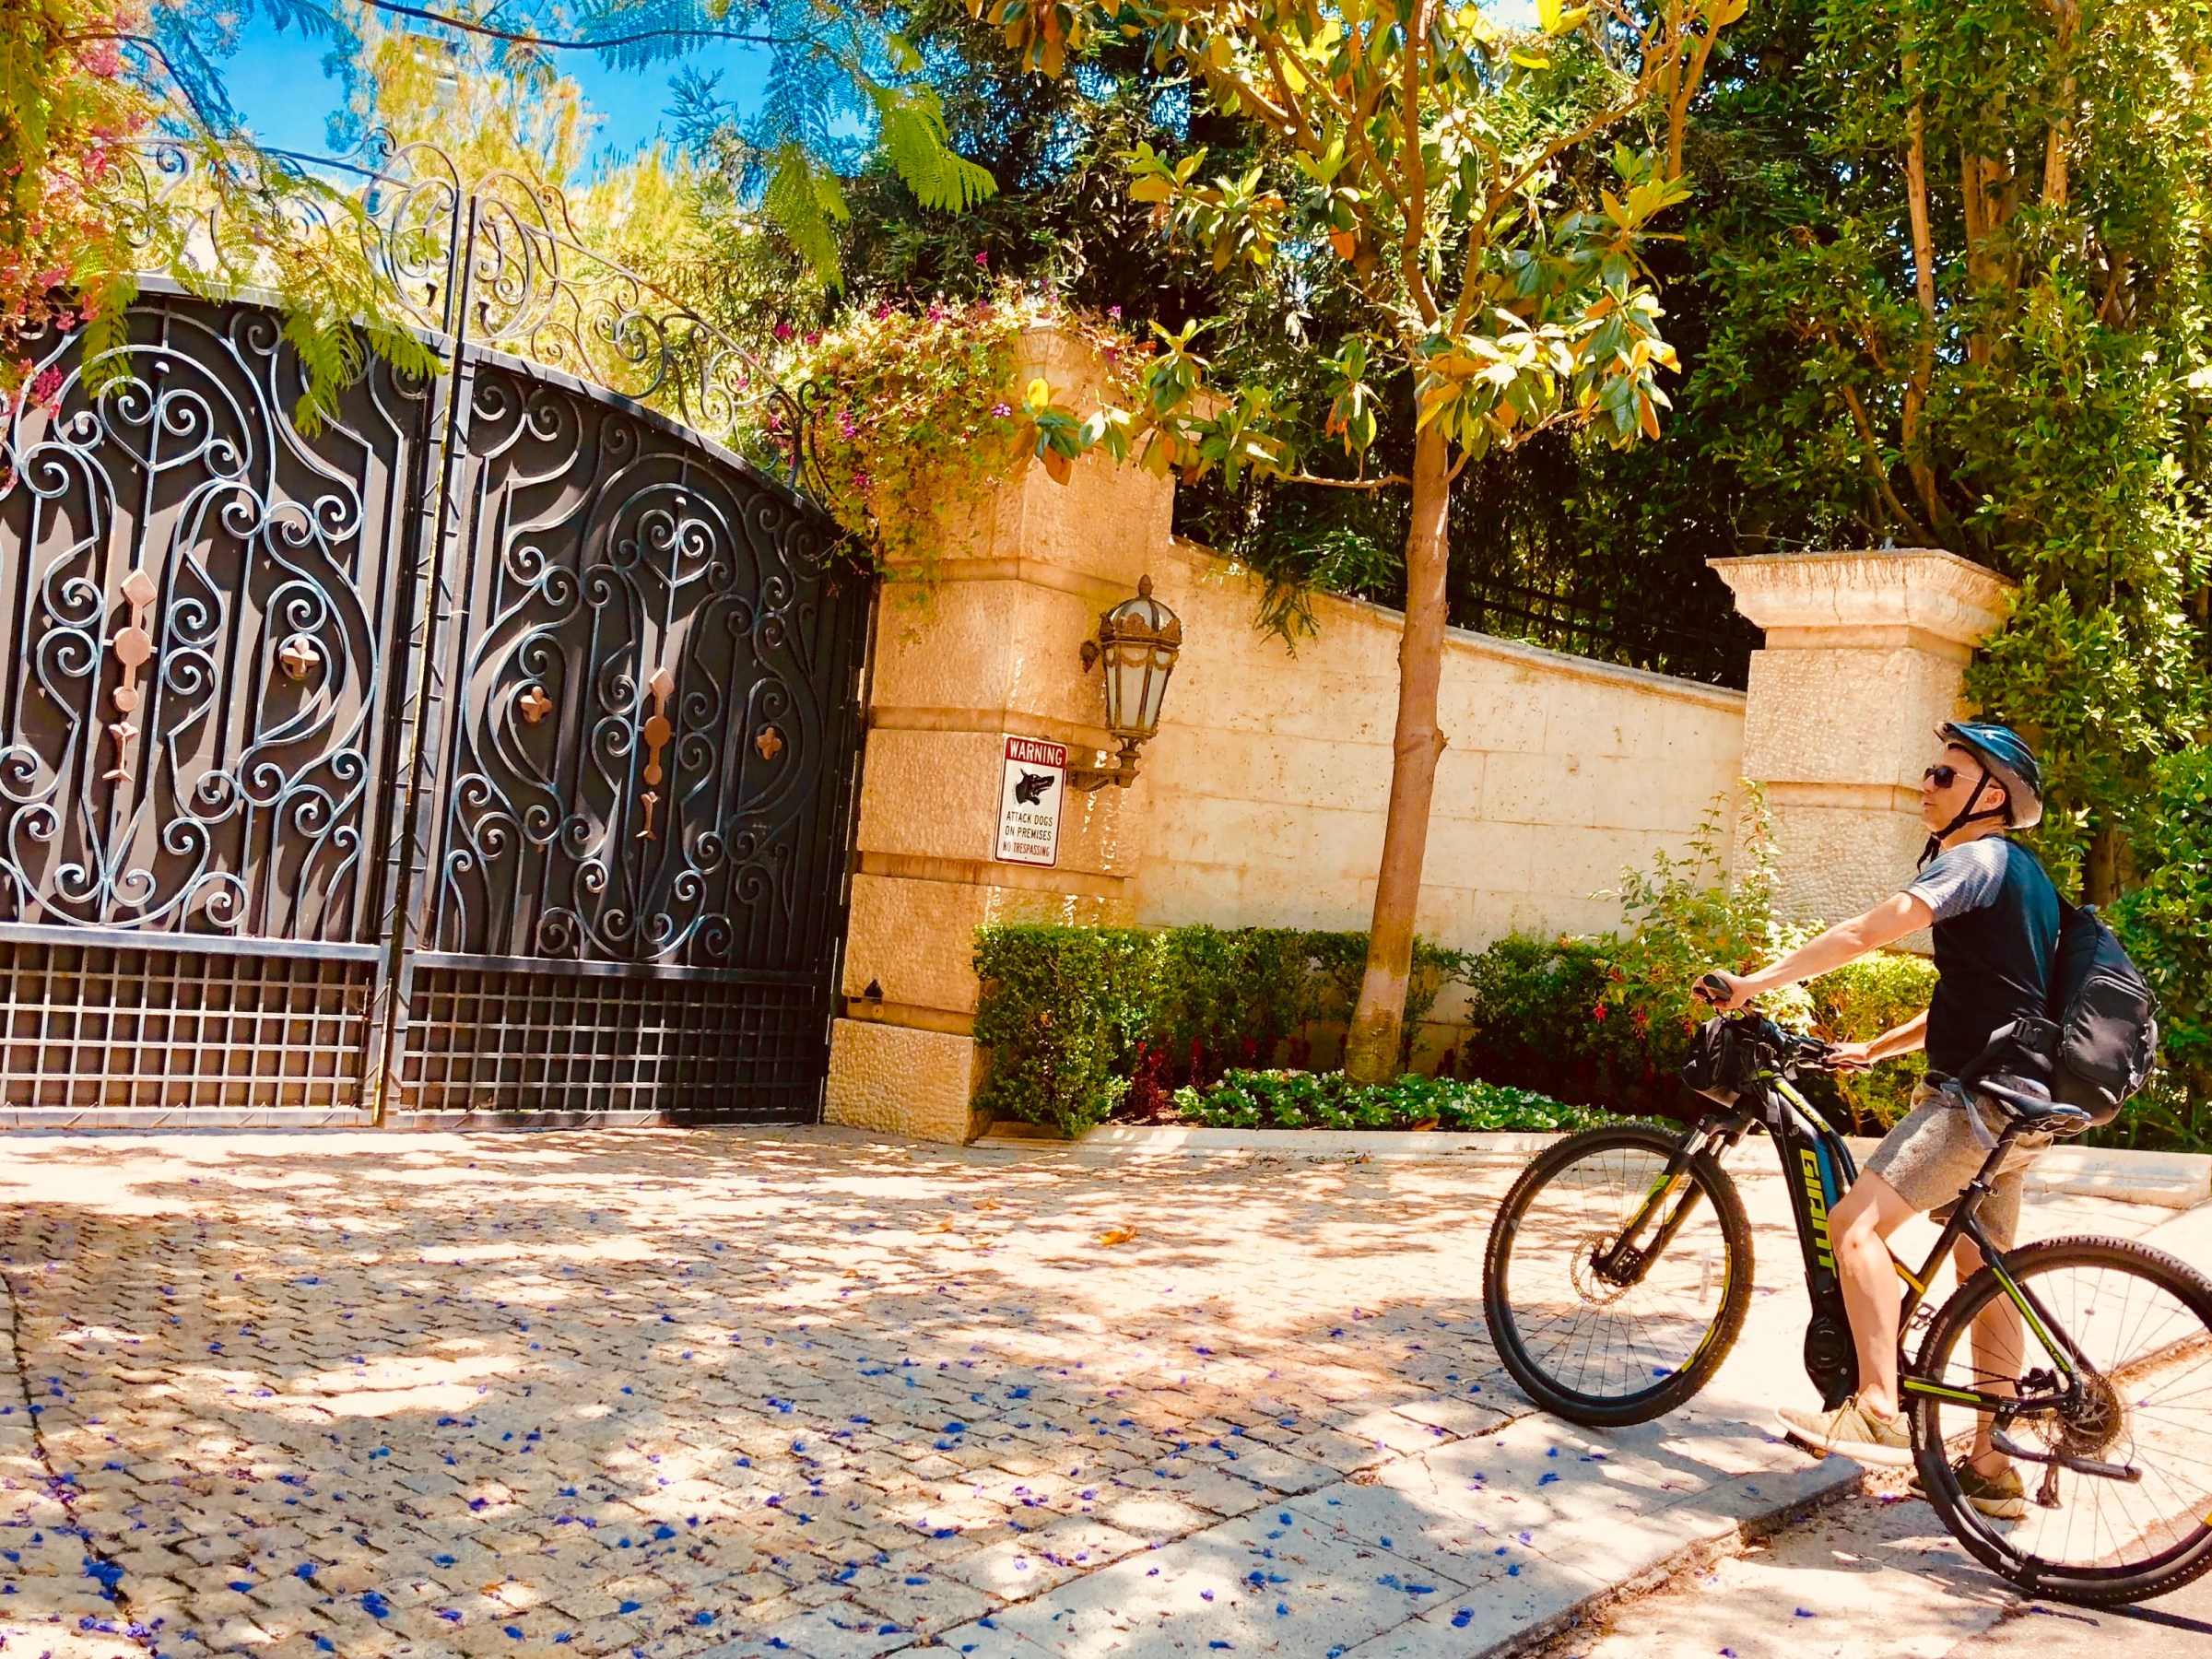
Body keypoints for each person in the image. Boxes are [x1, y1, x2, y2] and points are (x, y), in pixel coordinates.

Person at [1694, 721, 2058, 1522]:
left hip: (1975, 1103)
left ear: (1989, 795)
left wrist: (1753, 984)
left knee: (1855, 1226)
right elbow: (1990, 998)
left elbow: (1866, 932)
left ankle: (1877, 1405)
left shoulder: (1975, 859)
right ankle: (1994, 1466)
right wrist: (1878, 1049)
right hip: (2026, 1102)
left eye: (1943, 773)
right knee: (1983, 1275)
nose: (1925, 784)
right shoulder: (2028, 879)